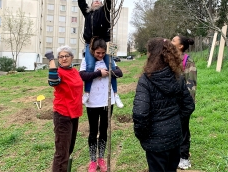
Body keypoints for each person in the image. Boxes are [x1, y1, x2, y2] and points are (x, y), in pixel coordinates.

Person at [133, 37, 195, 172]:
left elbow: (140, 114)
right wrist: (176, 123)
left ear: (152, 55)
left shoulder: (145, 80)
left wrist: (143, 136)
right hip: (175, 138)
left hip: (156, 142)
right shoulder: (177, 76)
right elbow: (189, 105)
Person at [78, 0, 123, 108]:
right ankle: (87, 93)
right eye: (95, 1)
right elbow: (80, 1)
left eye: (99, 1)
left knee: (112, 66)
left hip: (106, 42)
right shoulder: (87, 14)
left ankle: (115, 94)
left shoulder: (105, 12)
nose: (97, 1)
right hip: (89, 43)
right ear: (91, 5)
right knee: (90, 66)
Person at [79, 38, 123, 172]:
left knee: (103, 131)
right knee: (93, 132)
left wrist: (108, 73)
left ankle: (101, 158)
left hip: (107, 102)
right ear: (92, 51)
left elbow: (119, 73)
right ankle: (93, 160)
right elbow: (82, 76)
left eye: (103, 53)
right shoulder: (86, 60)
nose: (100, 55)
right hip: (92, 102)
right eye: (98, 53)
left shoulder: (108, 60)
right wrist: (98, 73)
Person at [45, 46, 83, 172]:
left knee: (69, 149)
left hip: (74, 114)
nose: (64, 58)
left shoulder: (75, 72)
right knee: (61, 153)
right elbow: (53, 81)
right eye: (61, 56)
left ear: (72, 57)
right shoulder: (59, 72)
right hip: (62, 115)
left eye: (67, 55)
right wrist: (51, 60)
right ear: (58, 60)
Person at [172, 35, 197, 170]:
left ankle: (184, 157)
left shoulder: (188, 61)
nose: (171, 42)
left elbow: (191, 84)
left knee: (183, 131)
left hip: (182, 104)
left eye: (173, 41)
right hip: (170, 104)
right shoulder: (169, 59)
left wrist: (187, 105)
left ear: (180, 46)